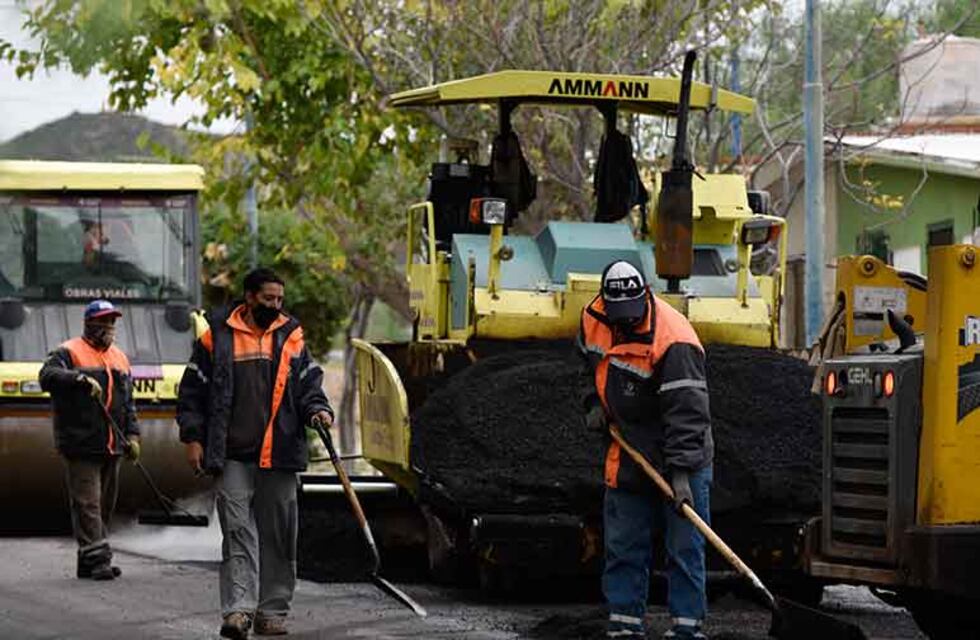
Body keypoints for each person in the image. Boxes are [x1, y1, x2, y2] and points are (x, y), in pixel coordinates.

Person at [177, 267, 333, 639]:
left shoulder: (290, 335)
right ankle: (238, 611)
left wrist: (319, 409)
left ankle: (272, 611)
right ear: (249, 297)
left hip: (279, 453)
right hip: (231, 453)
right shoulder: (217, 337)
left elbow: (309, 381)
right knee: (237, 533)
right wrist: (193, 439)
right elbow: (192, 391)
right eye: (268, 299)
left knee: (279, 536)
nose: (275, 306)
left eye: (280, 300)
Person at [577, 261, 714, 640]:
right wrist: (592, 402)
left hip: (680, 451)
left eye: (631, 314)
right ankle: (625, 625)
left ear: (646, 295)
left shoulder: (675, 340)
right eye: (617, 314)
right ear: (605, 303)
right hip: (628, 448)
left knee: (684, 546)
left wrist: (682, 475)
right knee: (624, 542)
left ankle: (687, 628)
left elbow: (688, 414)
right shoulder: (593, 318)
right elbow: (586, 364)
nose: (624, 322)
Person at [39, 299, 140, 581]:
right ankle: (99, 561)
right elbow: (46, 376)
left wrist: (133, 436)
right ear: (90, 323)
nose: (109, 327)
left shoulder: (120, 358)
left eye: (112, 322)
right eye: (104, 321)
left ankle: (88, 559)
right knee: (88, 504)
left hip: (112, 445)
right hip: (81, 443)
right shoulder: (68, 352)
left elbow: (129, 403)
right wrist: (79, 380)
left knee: (104, 504)